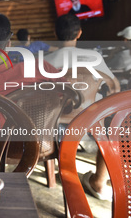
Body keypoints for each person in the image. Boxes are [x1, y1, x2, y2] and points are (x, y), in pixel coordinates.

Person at [45, 13, 116, 201]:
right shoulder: (94, 57)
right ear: (79, 33)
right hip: (92, 121)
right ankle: (100, 182)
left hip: (56, 124)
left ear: (55, 32)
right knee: (113, 125)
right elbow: (112, 86)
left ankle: (65, 171)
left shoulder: (45, 61)